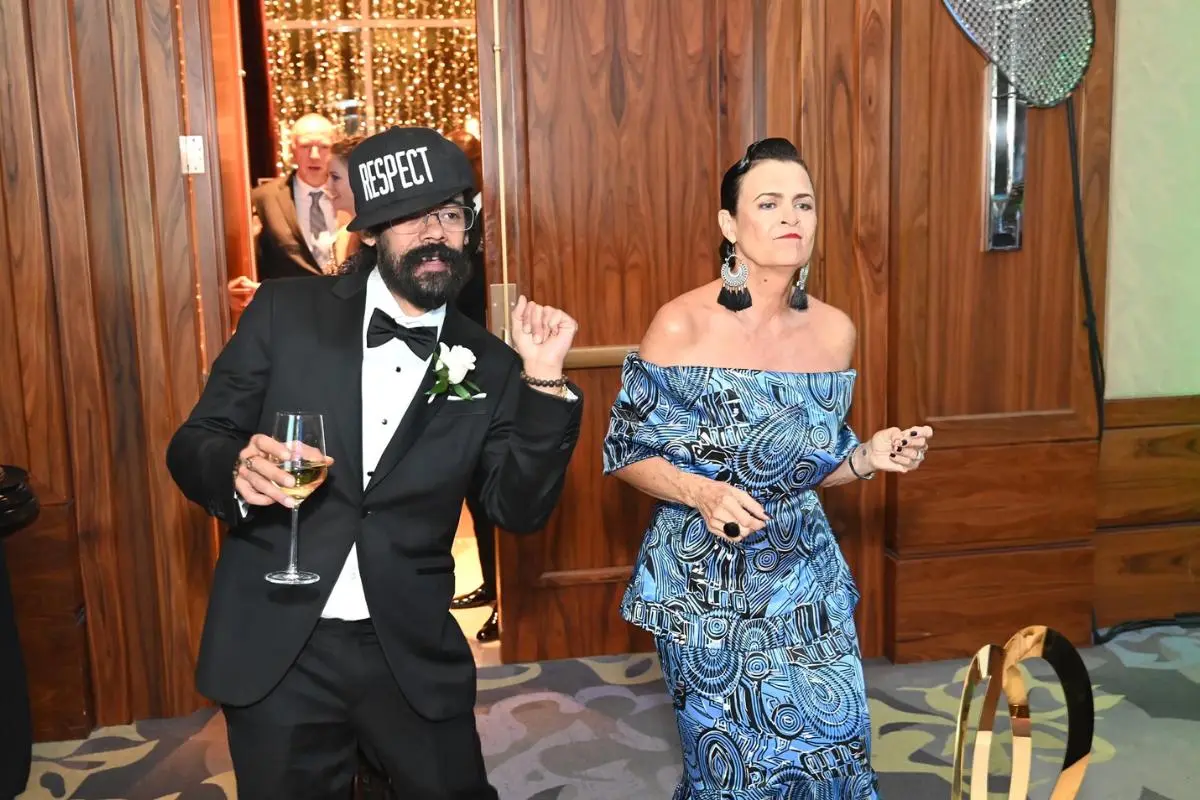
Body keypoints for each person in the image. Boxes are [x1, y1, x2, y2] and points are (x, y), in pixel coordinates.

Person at [166, 125, 583, 799]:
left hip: (407, 649)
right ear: (371, 234)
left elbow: (519, 509)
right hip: (280, 645)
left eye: (449, 214)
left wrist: (542, 387)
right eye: (411, 217)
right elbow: (195, 441)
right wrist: (236, 465)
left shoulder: (491, 363)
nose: (434, 233)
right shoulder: (284, 313)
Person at [602, 137, 932, 799]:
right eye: (770, 202)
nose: (792, 217)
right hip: (705, 581)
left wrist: (867, 457)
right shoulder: (681, 326)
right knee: (734, 775)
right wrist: (703, 493)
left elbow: (812, 466)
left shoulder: (835, 331)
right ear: (730, 225)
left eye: (804, 204)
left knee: (832, 757)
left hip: (804, 572)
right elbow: (626, 453)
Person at [251, 113, 342, 279]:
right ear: (292, 149)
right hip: (287, 303)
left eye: (323, 147)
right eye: (305, 146)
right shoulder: (263, 199)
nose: (314, 155)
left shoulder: (352, 195)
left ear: (334, 150)